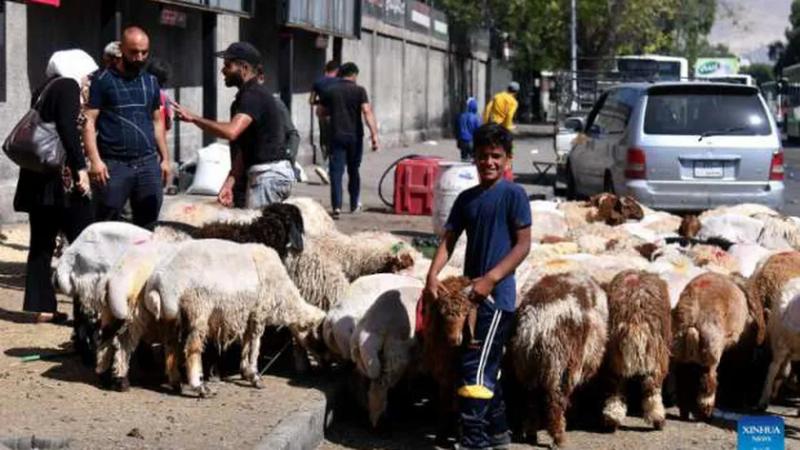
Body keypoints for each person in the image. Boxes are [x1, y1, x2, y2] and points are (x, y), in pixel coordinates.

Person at [423, 123, 531, 450]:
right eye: (483, 156)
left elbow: (523, 245)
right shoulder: (466, 199)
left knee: (474, 368)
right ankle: (497, 435)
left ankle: (473, 442)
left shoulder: (514, 195)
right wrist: (432, 273)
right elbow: (450, 239)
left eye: (496, 156)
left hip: (496, 300)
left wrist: (491, 279)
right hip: (470, 299)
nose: (490, 162)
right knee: (484, 365)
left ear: (508, 160)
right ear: (475, 159)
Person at [14, 50, 96, 323]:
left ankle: (43, 307)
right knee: (85, 240)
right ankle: (87, 307)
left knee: (41, 243)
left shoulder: (44, 87)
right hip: (62, 180)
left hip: (38, 179)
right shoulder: (67, 86)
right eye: (87, 71)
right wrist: (81, 168)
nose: (88, 77)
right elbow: (67, 130)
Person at [172, 42, 291, 209]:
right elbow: (243, 150)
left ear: (243, 68)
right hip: (262, 175)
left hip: (268, 176)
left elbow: (231, 131)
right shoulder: (244, 99)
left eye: (228, 66)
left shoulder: (253, 95)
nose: (223, 71)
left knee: (259, 233)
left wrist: (194, 118)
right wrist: (230, 182)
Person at [82, 26, 170, 230]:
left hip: (148, 165)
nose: (140, 57)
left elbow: (158, 121)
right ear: (122, 49)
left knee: (148, 227)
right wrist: (95, 161)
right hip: (114, 166)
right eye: (134, 52)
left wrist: (165, 159)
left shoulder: (151, 82)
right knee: (106, 227)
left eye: (144, 52)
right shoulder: (102, 81)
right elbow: (88, 121)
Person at [317, 62, 379, 219]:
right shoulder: (359, 90)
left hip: (336, 135)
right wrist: (374, 135)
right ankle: (353, 204)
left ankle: (336, 207)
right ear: (354, 75)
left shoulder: (330, 90)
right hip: (355, 137)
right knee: (354, 170)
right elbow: (367, 111)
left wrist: (333, 111)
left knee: (336, 172)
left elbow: (320, 112)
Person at [309, 60, 340, 184]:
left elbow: (311, 101)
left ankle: (326, 168)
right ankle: (326, 168)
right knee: (335, 143)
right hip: (335, 115)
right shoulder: (339, 82)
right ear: (336, 71)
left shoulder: (318, 82)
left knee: (324, 142)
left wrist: (320, 102)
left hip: (321, 114)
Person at [457, 97, 481, 162]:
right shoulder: (476, 117)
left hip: (462, 140)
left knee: (463, 160)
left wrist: (458, 141)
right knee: (473, 161)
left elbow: (458, 129)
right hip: (471, 141)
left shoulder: (462, 116)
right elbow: (478, 130)